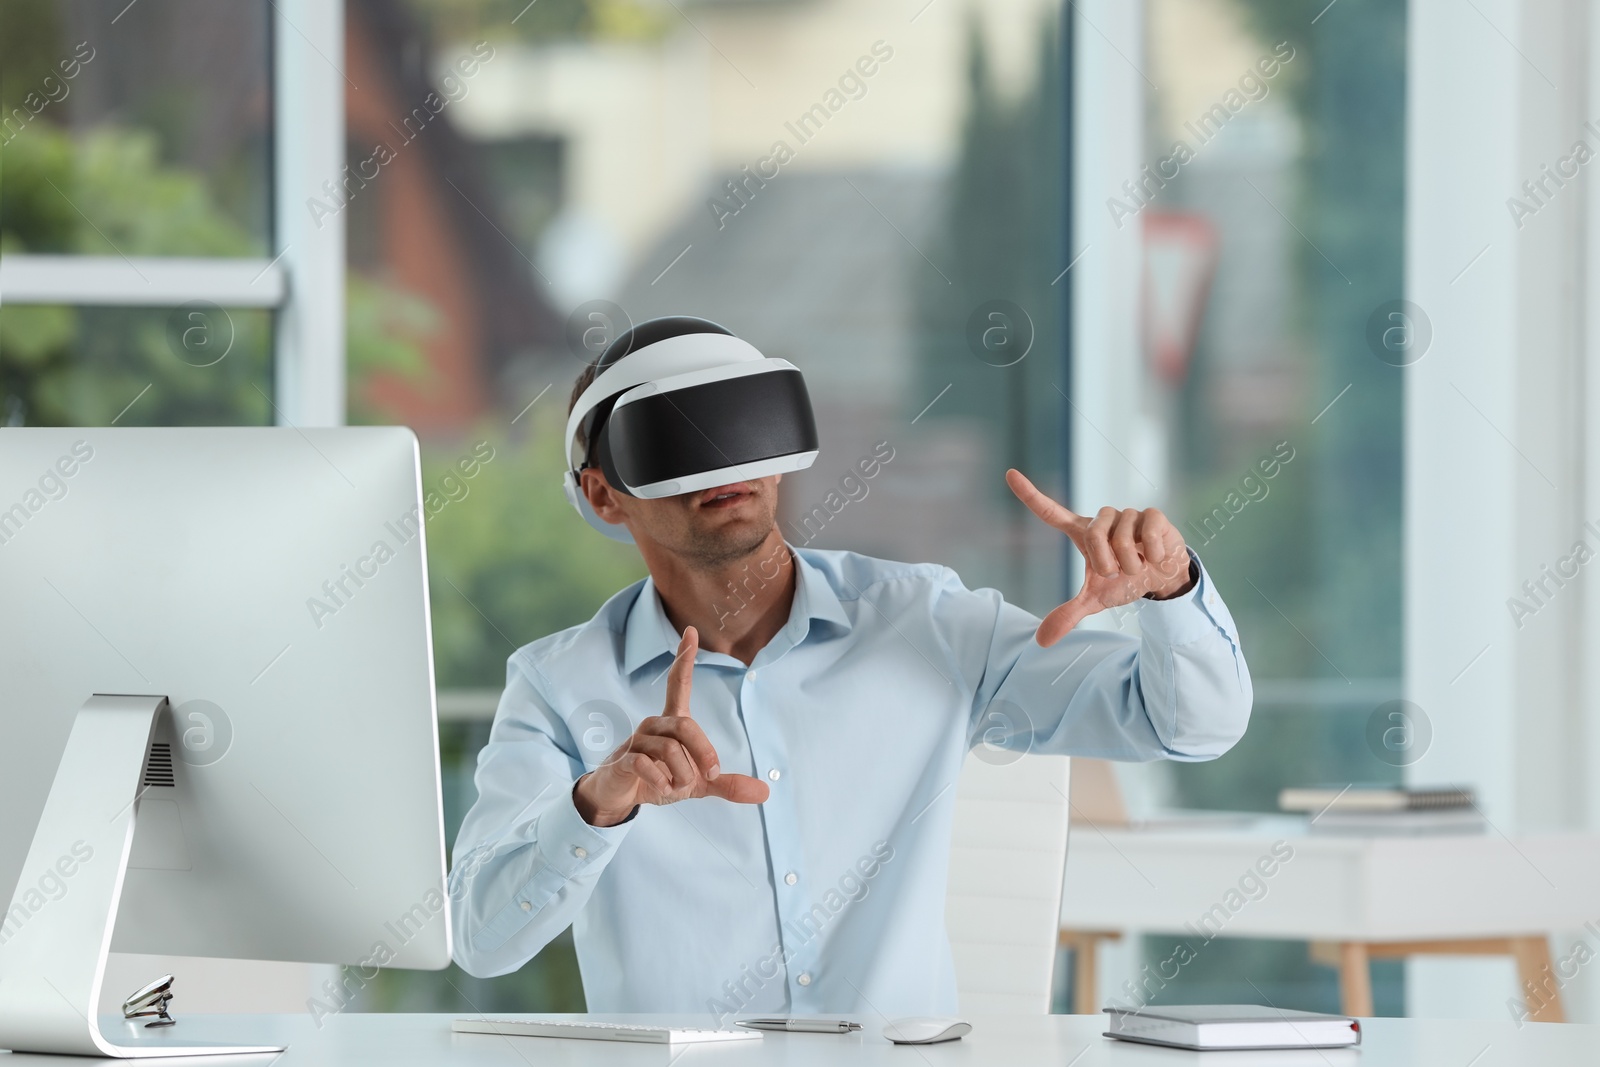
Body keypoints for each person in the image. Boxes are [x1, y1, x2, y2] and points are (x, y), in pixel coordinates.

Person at [449, 316, 1251, 1019]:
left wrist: (1171, 592)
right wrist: (597, 804)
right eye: (677, 435)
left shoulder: (925, 623)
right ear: (603, 496)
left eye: (741, 421)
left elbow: (1192, 724)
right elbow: (482, 941)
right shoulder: (556, 688)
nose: (724, 460)